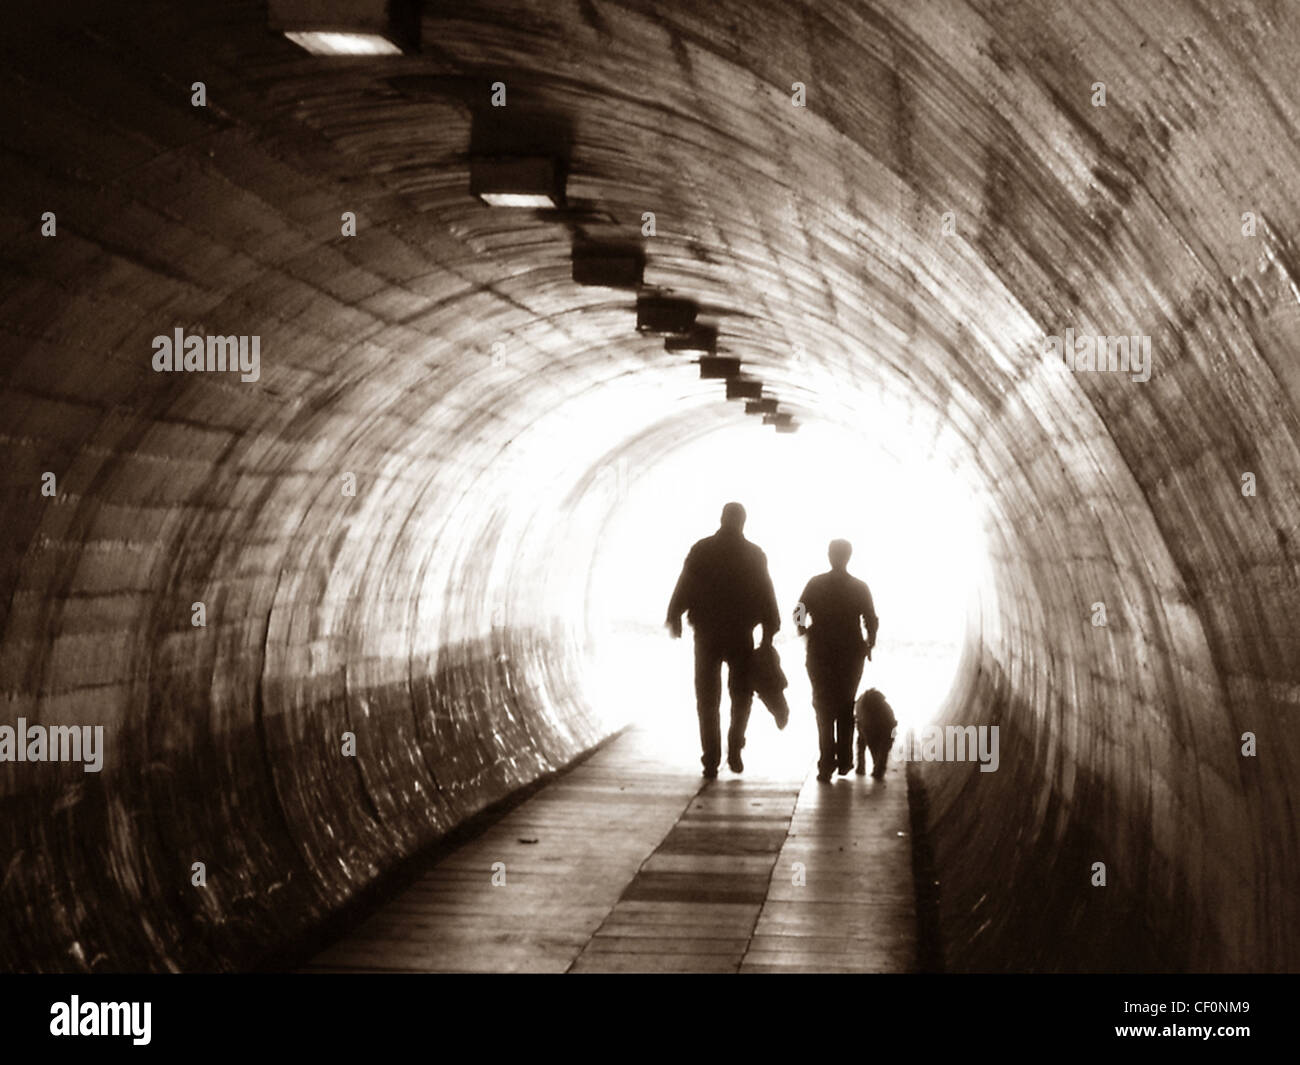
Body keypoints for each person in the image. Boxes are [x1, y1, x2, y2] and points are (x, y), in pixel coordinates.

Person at [666, 503, 781, 778]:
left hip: (706, 634)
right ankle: (734, 748)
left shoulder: (702, 549)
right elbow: (767, 593)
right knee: (741, 695)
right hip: (740, 634)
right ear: (744, 522)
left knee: (707, 698)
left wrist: (676, 613)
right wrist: (769, 630)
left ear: (721, 519)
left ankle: (711, 757)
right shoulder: (754, 555)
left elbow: (685, 583)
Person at [795, 539, 879, 783]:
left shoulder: (816, 583)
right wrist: (870, 643)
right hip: (851, 653)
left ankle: (826, 763)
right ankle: (844, 760)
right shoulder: (859, 587)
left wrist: (803, 630)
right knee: (845, 705)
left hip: (819, 651)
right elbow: (871, 619)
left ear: (830, 555)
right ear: (849, 556)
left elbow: (799, 609)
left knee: (822, 706)